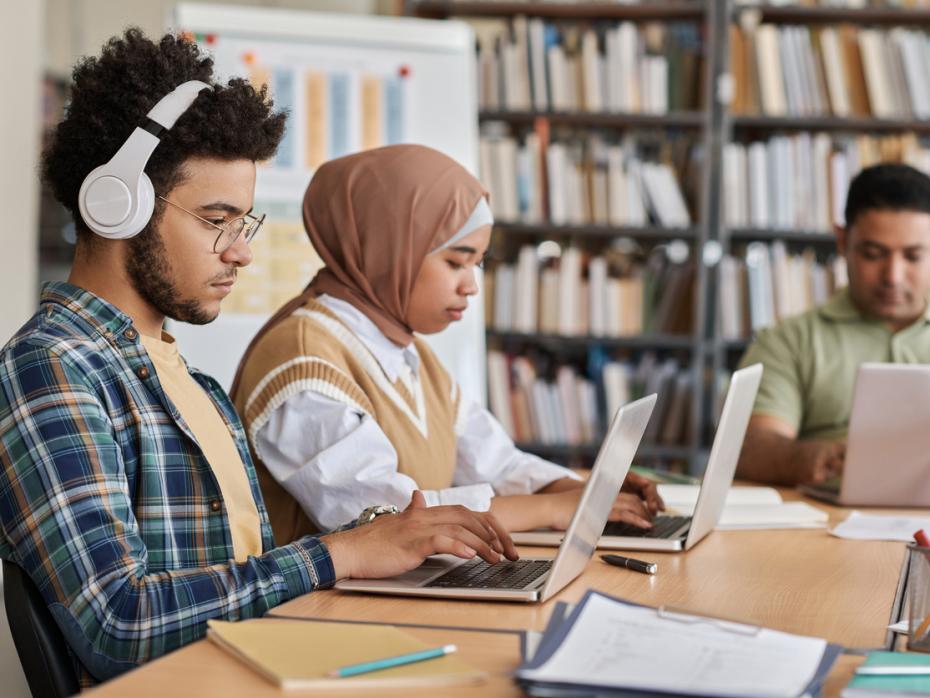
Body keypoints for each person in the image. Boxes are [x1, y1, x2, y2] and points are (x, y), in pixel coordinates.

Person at [0, 30, 515, 686]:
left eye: (245, 224)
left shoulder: (198, 386)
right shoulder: (53, 370)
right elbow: (117, 623)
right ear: (117, 204)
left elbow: (253, 588)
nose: (240, 252)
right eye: (218, 220)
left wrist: (377, 552)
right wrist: (337, 555)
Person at [231, 144, 663, 545]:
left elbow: (497, 463)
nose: (471, 287)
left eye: (478, 263)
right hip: (315, 614)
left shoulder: (406, 352)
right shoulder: (302, 358)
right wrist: (551, 508)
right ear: (389, 250)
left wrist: (584, 489)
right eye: (456, 262)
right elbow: (389, 517)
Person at [736, 163, 930, 486]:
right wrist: (806, 459)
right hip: (824, 522)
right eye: (873, 254)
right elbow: (751, 447)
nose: (893, 277)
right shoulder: (789, 341)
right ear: (842, 241)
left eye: (913, 257)